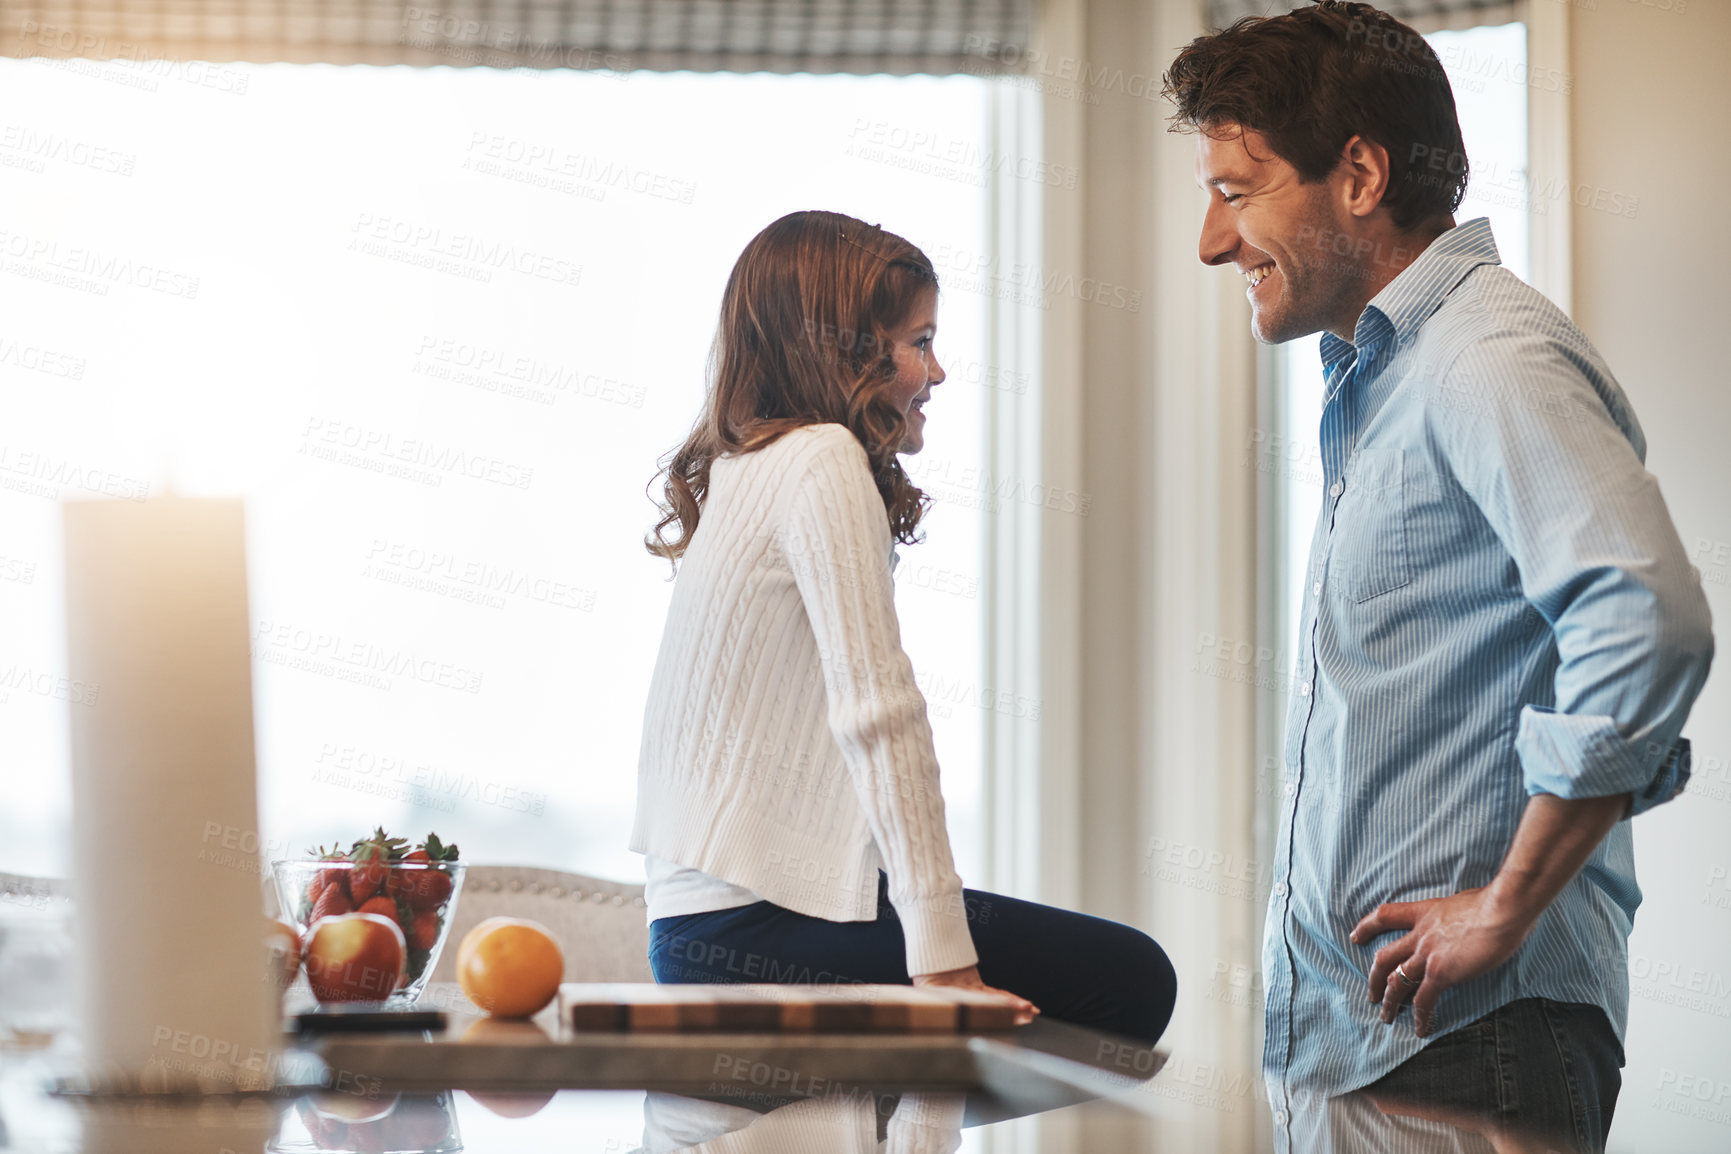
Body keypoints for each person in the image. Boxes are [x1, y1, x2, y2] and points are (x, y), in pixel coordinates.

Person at [1163, 3, 1712, 1150]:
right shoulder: (1388, 380)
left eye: (1234, 191)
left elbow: (1647, 616)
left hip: (1470, 1046)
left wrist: (1507, 905)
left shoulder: (1487, 356)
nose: (1213, 243)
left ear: (1358, 173)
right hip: (1388, 1051)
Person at [630, 210, 1176, 1045]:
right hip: (750, 928)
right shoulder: (819, 459)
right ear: (845, 351)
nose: (938, 370)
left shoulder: (749, 465)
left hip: (699, 928)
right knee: (1131, 982)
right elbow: (878, 714)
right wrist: (943, 962)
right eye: (919, 341)